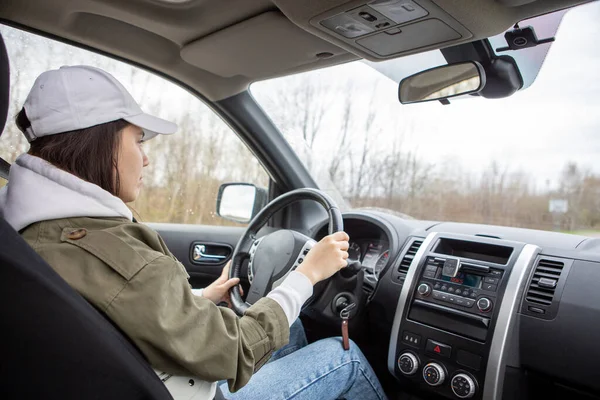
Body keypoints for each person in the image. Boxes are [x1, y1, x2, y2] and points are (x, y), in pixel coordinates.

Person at [0, 65, 386, 400]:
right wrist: (307, 276)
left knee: (293, 325)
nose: (146, 157)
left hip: (152, 374)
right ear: (99, 142)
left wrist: (200, 298)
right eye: (138, 140)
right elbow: (233, 350)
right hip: (183, 390)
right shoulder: (108, 248)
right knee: (344, 357)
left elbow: (118, 311)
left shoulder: (39, 234)